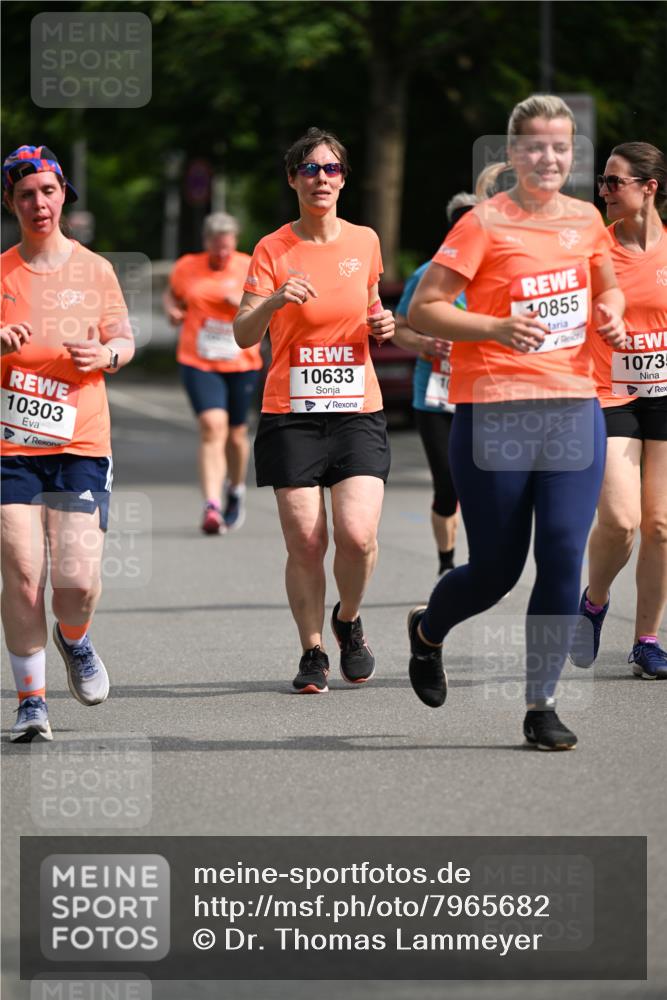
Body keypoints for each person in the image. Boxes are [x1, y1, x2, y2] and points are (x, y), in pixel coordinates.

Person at [406, 95, 626, 750]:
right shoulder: (482, 224)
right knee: (494, 570)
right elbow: (424, 308)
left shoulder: (586, 220)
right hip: (494, 409)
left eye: (560, 147)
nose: (548, 157)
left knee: (561, 555)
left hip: (571, 404)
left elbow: (606, 284)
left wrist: (610, 312)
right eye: (534, 146)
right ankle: (428, 630)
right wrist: (496, 326)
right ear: (510, 153)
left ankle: (541, 703)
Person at [233, 127, 395, 693]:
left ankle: (347, 620)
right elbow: (242, 335)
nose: (320, 178)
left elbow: (372, 305)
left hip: (356, 407)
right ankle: (313, 651)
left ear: (344, 178)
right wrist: (276, 299)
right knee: (305, 539)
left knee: (357, 536)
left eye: (330, 169)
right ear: (293, 179)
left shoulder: (365, 241)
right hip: (292, 411)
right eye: (309, 169)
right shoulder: (272, 249)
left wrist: (384, 323)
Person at [1, 144, 134, 742]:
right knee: (23, 573)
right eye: (26, 194)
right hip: (12, 450)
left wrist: (106, 354)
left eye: (48, 191)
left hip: (80, 442)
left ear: (64, 198)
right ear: (11, 202)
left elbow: (123, 338)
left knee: (75, 582)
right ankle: (31, 701)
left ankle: (74, 639)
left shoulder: (95, 269)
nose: (39, 203)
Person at [570, 142, 667, 678]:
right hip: (610, 393)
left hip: (665, 393)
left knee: (660, 525)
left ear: (649, 188)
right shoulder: (593, 253)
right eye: (602, 182)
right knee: (622, 520)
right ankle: (595, 600)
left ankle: (647, 640)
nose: (603, 191)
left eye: (615, 182)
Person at [393, 192, 477, 578]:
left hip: (483, 394)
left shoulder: (502, 276)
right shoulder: (428, 273)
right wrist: (426, 343)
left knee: (484, 485)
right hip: (436, 396)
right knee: (448, 484)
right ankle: (447, 564)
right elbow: (399, 328)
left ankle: (485, 565)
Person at [164, 212, 262, 534]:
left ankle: (235, 490)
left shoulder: (250, 266)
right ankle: (211, 505)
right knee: (211, 426)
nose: (222, 254)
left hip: (241, 362)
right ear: (207, 242)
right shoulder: (187, 266)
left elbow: (270, 309)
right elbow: (173, 294)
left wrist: (243, 305)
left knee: (235, 434)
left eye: (227, 247)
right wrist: (172, 310)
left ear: (234, 242)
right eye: (216, 247)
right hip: (199, 360)